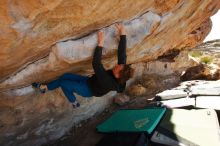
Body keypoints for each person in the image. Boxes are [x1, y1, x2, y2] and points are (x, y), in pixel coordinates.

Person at [32, 23, 134, 108]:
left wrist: (100, 43)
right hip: (89, 80)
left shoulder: (109, 82)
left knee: (63, 83)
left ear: (118, 76)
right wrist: (123, 33)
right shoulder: (122, 71)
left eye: (117, 68)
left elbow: (96, 64)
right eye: (119, 66)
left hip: (88, 90)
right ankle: (45, 88)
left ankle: (72, 101)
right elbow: (122, 54)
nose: (116, 66)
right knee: (65, 76)